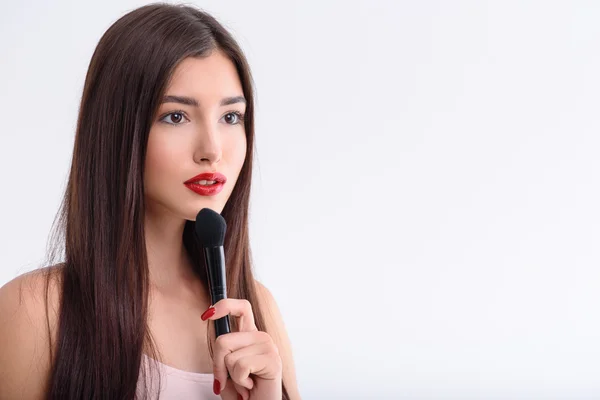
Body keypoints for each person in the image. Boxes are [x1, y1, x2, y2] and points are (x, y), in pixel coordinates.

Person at [0, 3, 300, 399]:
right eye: (176, 116)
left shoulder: (258, 310)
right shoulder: (35, 312)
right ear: (118, 131)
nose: (212, 150)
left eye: (231, 117)